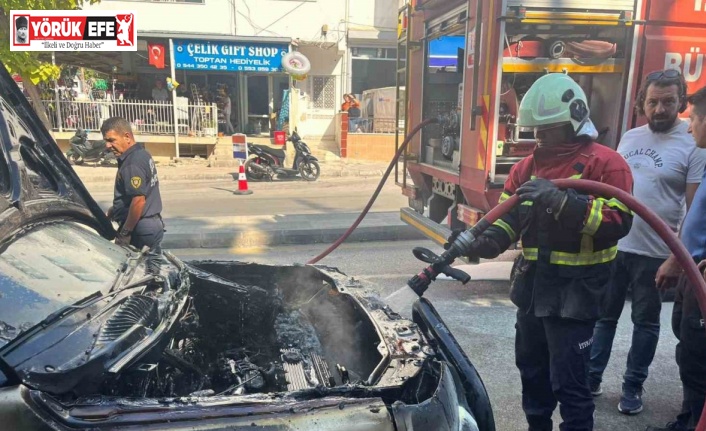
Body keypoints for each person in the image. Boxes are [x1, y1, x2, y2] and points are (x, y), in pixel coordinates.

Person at [447, 73, 634, 430]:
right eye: (535, 131)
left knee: (570, 385)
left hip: (578, 293)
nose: (540, 139)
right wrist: (479, 240)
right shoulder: (526, 168)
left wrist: (565, 203)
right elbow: (506, 221)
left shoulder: (606, 164)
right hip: (534, 291)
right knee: (533, 376)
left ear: (574, 122)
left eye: (548, 131)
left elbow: (618, 223)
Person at [588, 69, 706, 414]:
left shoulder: (692, 143)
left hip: (656, 254)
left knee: (646, 323)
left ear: (681, 103)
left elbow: (694, 206)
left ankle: (632, 387)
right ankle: (591, 377)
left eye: (668, 102)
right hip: (617, 246)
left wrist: (675, 256)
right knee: (603, 318)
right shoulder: (630, 137)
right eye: (653, 101)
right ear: (642, 102)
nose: (659, 109)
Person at [645, 85, 706, 431]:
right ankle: (689, 418)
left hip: (701, 276)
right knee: (689, 353)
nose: (688, 126)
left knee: (698, 360)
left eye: (695, 118)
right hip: (691, 275)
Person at [102, 117, 165, 273]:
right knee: (150, 273)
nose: (108, 146)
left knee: (133, 275)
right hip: (151, 224)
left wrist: (125, 233)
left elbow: (138, 202)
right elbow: (135, 195)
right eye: (106, 141)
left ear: (127, 137)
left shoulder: (132, 164)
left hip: (140, 228)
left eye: (111, 140)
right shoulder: (141, 153)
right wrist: (114, 209)